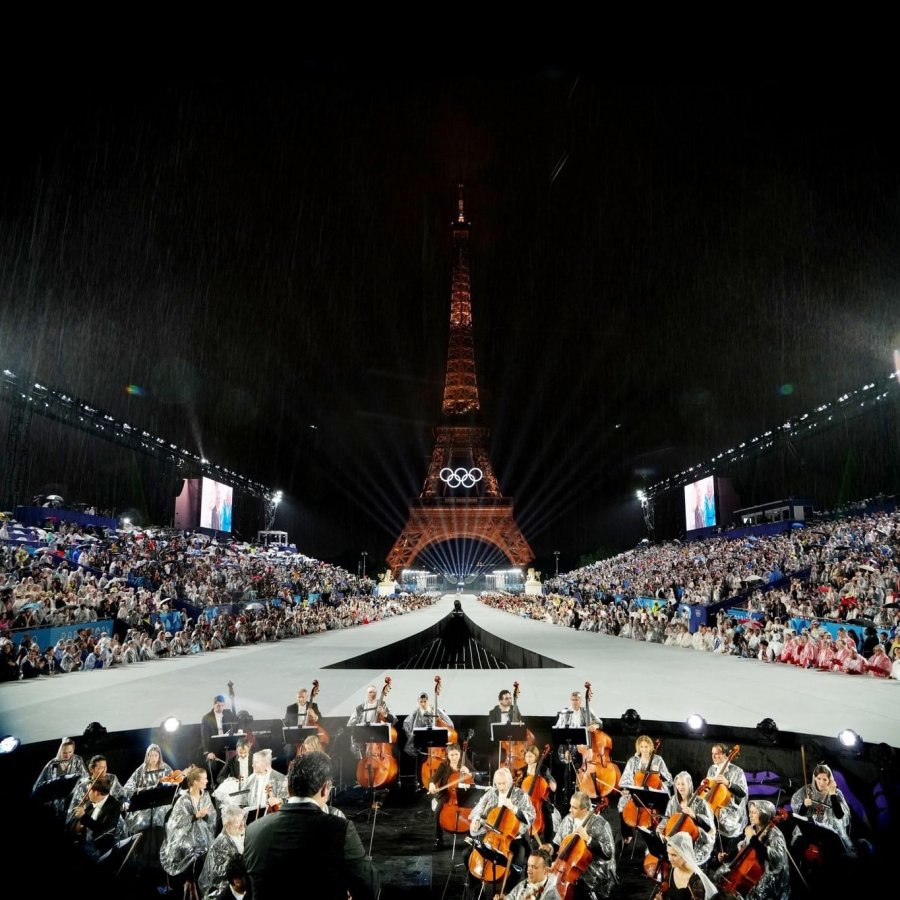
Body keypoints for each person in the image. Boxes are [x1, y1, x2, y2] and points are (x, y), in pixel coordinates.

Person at [243, 751, 379, 900]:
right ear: (325, 789)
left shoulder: (252, 830)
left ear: (289, 788)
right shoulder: (340, 829)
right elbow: (369, 889)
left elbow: (249, 892)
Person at [467, 767, 535, 890]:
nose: (501, 787)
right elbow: (478, 810)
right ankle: (476, 890)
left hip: (513, 839)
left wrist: (514, 808)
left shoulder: (521, 795)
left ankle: (507, 894)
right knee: (467, 854)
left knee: (517, 865)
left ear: (510, 781)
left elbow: (531, 817)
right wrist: (476, 820)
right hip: (491, 837)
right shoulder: (492, 793)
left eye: (504, 783)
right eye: (498, 784)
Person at [160, 766, 218, 898]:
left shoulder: (206, 796)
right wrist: (195, 816)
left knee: (209, 850)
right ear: (196, 782)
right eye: (204, 779)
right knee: (192, 852)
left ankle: (204, 890)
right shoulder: (183, 800)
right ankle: (190, 888)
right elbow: (176, 822)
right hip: (185, 837)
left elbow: (213, 818)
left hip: (204, 835)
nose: (207, 781)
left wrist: (205, 816)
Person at [549, 789, 616, 899]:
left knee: (580, 892)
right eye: (570, 806)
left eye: (574, 808)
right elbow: (558, 842)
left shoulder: (601, 824)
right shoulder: (568, 819)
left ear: (584, 809)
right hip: (567, 866)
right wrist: (550, 847)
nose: (570, 810)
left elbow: (608, 852)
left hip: (592, 870)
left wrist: (589, 839)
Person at [718, 799, 790, 900]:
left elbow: (775, 859)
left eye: (754, 812)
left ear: (764, 814)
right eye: (750, 812)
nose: (750, 815)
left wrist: (753, 838)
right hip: (751, 882)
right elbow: (745, 849)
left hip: (767, 884)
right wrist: (728, 857)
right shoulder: (754, 828)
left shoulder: (775, 835)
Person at [617, 734, 673, 846]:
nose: (644, 749)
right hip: (637, 792)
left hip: (652, 793)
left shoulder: (658, 760)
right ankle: (627, 834)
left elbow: (669, 779)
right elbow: (625, 778)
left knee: (662, 807)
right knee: (622, 802)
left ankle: (656, 837)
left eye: (646, 747)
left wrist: (658, 785)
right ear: (638, 748)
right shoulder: (633, 760)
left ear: (651, 747)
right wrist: (626, 789)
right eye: (641, 747)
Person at [789, 763, 852, 855]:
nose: (821, 782)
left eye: (824, 779)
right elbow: (800, 816)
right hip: (810, 829)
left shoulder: (836, 793)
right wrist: (804, 805)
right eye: (818, 778)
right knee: (799, 847)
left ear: (830, 780)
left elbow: (840, 815)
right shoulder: (806, 790)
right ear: (814, 778)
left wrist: (832, 794)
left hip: (829, 831)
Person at [658, 771, 716, 866]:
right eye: (678, 784)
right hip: (675, 842)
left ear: (689, 785)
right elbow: (666, 820)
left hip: (695, 843)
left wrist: (695, 816)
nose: (680, 787)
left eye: (683, 784)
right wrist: (661, 828)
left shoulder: (700, 802)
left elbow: (711, 830)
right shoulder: (673, 801)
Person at [67, 773, 125, 859]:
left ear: (96, 793)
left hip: (100, 850)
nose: (86, 794)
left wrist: (83, 816)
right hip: (85, 845)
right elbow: (84, 826)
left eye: (89, 791)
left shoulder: (114, 807)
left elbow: (103, 831)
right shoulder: (91, 802)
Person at [427, 741, 473, 850]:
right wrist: (431, 784)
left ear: (460, 754)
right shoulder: (444, 765)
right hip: (447, 795)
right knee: (438, 811)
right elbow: (434, 778)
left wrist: (469, 772)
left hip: (464, 795)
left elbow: (479, 776)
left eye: (456, 754)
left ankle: (471, 837)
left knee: (474, 812)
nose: (454, 757)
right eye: (451, 755)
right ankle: (439, 839)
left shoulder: (465, 763)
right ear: (447, 755)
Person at [706, 743, 748, 859]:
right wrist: (704, 786)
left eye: (717, 754)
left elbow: (742, 793)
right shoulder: (712, 769)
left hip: (731, 818)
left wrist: (728, 783)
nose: (714, 757)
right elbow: (709, 791)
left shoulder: (737, 771)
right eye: (712, 754)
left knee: (728, 855)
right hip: (715, 813)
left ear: (726, 755)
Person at [123, 743, 175, 834]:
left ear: (159, 756)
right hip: (145, 805)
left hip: (162, 804)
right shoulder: (141, 770)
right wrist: (135, 793)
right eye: (150, 755)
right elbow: (128, 786)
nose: (153, 758)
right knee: (141, 824)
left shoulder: (166, 768)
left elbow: (174, 783)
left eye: (155, 755)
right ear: (147, 756)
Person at [198, 804, 245, 900]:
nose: (242, 824)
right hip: (224, 891)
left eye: (242, 820)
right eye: (237, 822)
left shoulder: (237, 835)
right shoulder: (221, 844)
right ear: (227, 825)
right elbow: (223, 877)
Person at [652, 831, 718, 900]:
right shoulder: (673, 868)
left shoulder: (697, 882)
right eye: (668, 853)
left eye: (674, 855)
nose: (669, 858)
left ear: (685, 854)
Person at [516, 744, 559, 844]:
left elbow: (553, 787)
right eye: (527, 756)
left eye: (531, 756)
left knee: (547, 812)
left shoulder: (543, 769)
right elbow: (518, 788)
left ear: (536, 756)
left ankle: (549, 841)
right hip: (525, 800)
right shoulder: (522, 770)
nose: (528, 759)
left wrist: (550, 781)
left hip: (540, 799)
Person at [403, 690, 454, 758]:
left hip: (437, 742)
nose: (423, 704)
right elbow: (406, 724)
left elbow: (450, 724)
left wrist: (440, 720)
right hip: (422, 744)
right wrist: (412, 737)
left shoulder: (436, 710)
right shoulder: (416, 712)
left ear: (428, 701)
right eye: (421, 702)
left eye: (425, 701)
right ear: (418, 702)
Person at [240, 749, 287, 820]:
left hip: (272, 819)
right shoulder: (251, 779)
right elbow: (242, 799)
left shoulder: (280, 779)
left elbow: (288, 800)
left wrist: (279, 800)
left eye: (256, 762)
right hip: (253, 819)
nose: (253, 765)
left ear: (265, 763)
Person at [200, 694, 238, 767]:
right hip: (214, 747)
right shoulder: (206, 718)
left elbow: (234, 726)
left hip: (227, 744)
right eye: (218, 706)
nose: (221, 708)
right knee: (212, 763)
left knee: (236, 759)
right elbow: (205, 736)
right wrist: (207, 752)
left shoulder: (228, 713)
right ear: (214, 704)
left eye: (222, 705)